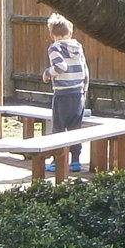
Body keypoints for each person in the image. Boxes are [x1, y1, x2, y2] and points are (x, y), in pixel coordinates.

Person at [42, 13, 89, 174]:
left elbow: (61, 66)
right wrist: (84, 89)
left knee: (59, 128)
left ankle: (58, 161)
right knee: (75, 128)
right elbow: (85, 70)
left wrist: (48, 73)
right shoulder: (78, 47)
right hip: (78, 93)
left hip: (62, 94)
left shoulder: (55, 47)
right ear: (70, 33)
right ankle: (75, 161)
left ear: (51, 34)